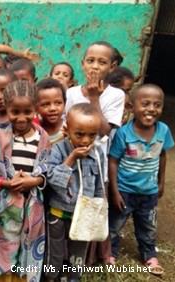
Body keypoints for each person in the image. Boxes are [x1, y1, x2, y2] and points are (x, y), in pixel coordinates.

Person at [0, 80, 50, 282]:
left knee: (29, 246)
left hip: (32, 206)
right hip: (5, 207)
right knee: (3, 248)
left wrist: (34, 182)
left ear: (35, 109)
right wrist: (6, 184)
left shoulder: (43, 138)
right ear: (6, 109)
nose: (21, 117)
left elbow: (48, 168)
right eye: (15, 111)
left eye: (28, 111)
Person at [65, 41, 124, 266]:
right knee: (68, 203)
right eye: (90, 61)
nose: (95, 67)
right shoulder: (70, 93)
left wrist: (94, 99)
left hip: (96, 164)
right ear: (82, 64)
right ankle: (61, 256)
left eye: (102, 62)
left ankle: (82, 260)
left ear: (112, 66)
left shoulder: (115, 95)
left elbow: (105, 131)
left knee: (91, 206)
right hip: (72, 160)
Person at [108, 84, 174, 276]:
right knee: (115, 224)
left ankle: (149, 254)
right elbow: (113, 161)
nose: (152, 109)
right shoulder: (124, 134)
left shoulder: (163, 131)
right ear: (131, 107)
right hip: (125, 190)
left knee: (148, 225)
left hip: (149, 191)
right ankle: (110, 252)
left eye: (157, 105)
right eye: (145, 104)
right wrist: (115, 191)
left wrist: (161, 182)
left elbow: (162, 155)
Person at [45, 103, 105, 282]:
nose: (86, 140)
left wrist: (99, 206)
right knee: (54, 251)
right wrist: (71, 159)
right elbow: (51, 178)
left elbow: (100, 182)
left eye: (92, 135)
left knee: (78, 251)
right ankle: (51, 277)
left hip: (84, 215)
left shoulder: (98, 152)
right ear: (67, 129)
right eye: (79, 134)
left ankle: (73, 277)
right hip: (58, 213)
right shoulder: (59, 149)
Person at [36, 78, 66, 145]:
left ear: (64, 104)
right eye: (46, 104)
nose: (52, 108)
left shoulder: (69, 129)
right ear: (36, 108)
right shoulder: (34, 131)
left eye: (58, 103)